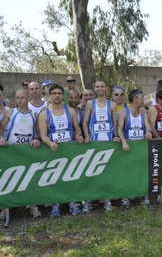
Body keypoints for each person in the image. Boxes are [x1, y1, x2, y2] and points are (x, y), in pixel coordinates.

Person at [38, 83, 84, 217]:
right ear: (49, 95)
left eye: (59, 93)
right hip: (53, 150)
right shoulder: (44, 114)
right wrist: (50, 143)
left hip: (69, 150)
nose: (57, 96)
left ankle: (72, 202)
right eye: (54, 93)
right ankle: (56, 204)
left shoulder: (70, 111)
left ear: (63, 95)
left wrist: (79, 136)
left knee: (71, 177)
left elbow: (77, 128)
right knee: (55, 178)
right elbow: (42, 135)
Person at [0, 89, 42, 218]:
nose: (19, 100)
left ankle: (32, 205)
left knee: (28, 179)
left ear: (28, 98)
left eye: (22, 97)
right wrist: (1, 138)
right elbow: (0, 127)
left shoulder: (34, 115)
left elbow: (38, 133)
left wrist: (37, 139)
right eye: (17, 97)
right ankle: (6, 207)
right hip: (11, 152)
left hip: (27, 153)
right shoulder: (10, 112)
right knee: (9, 178)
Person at [82, 79, 119, 212]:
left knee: (106, 172)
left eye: (102, 86)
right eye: (97, 87)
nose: (99, 89)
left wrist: (115, 135)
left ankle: (106, 198)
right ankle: (88, 200)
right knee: (91, 172)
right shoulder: (90, 104)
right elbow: (85, 122)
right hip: (94, 143)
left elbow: (115, 123)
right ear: (94, 88)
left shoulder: (112, 104)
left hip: (108, 143)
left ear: (106, 88)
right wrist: (87, 136)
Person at [117, 89, 153, 207]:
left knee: (142, 172)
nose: (143, 100)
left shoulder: (143, 112)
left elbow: (148, 126)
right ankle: (126, 197)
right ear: (135, 99)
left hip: (141, 148)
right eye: (142, 98)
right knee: (127, 173)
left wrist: (149, 132)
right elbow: (119, 129)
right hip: (129, 148)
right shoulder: (124, 112)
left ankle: (144, 195)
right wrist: (124, 142)